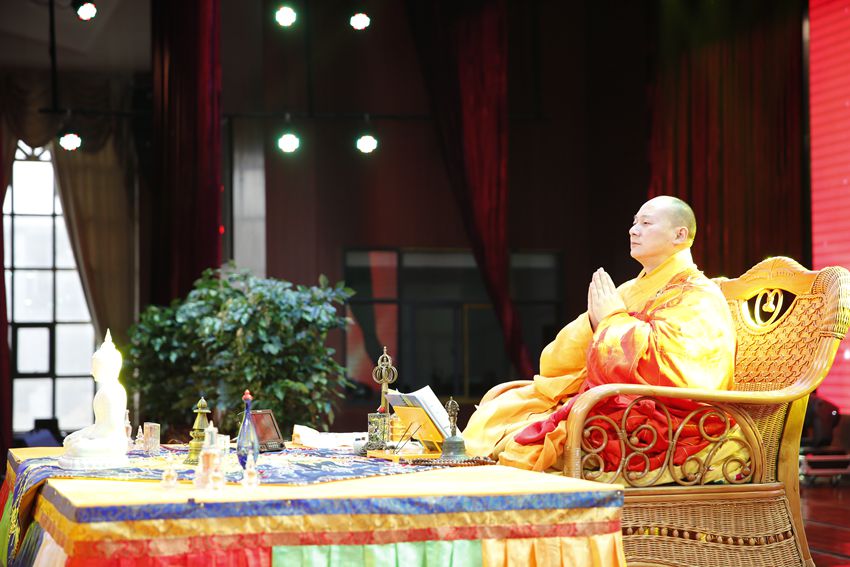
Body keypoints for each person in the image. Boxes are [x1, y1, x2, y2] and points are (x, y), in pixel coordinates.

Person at [463, 196, 736, 473]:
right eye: (634, 223)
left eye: (646, 223)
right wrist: (595, 323)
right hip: (615, 398)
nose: (633, 230)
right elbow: (555, 361)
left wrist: (612, 320)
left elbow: (680, 373)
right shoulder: (628, 290)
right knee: (503, 409)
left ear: (679, 235)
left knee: (531, 440)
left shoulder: (699, 295)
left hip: (666, 417)